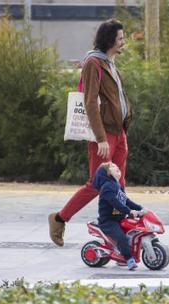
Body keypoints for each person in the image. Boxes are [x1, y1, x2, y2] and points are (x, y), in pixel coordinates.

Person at [48, 18, 132, 246]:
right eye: (120, 39)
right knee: (97, 185)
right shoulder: (95, 63)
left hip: (119, 132)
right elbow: (90, 102)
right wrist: (101, 137)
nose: (123, 42)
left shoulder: (109, 62)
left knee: (119, 184)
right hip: (104, 135)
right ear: (109, 40)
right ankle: (59, 218)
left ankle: (116, 231)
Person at [92, 162, 144, 270]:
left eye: (117, 166)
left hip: (119, 218)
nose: (117, 168)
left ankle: (126, 251)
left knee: (135, 230)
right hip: (108, 221)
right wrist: (129, 212)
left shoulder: (118, 185)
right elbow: (115, 203)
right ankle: (129, 259)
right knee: (121, 238)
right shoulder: (106, 187)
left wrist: (140, 208)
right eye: (113, 167)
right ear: (107, 173)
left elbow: (126, 200)